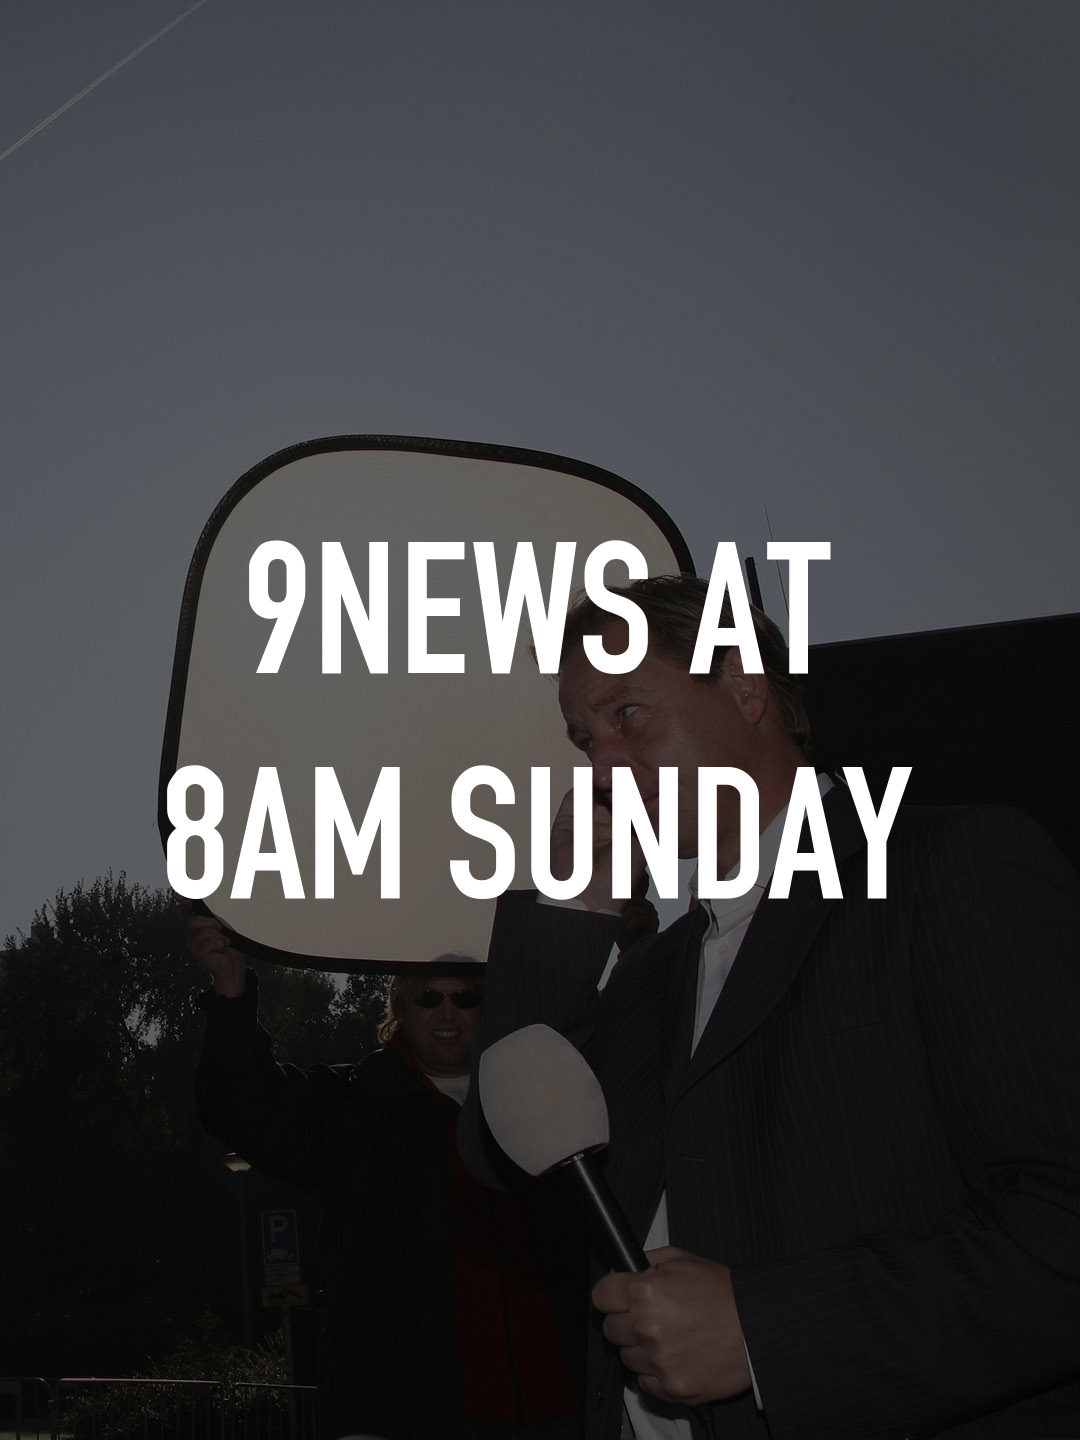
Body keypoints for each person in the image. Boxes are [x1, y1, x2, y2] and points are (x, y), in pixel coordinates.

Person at [459, 575, 1080, 1440]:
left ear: (746, 689)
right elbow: (504, 1156)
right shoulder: (651, 975)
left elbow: (1059, 1224)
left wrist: (764, 1333)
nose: (601, 768)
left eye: (628, 713)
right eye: (585, 739)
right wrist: (565, 911)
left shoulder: (948, 866)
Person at [190, 909, 585, 1440]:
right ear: (401, 1006)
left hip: (555, 1409)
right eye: (429, 997)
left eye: (464, 998)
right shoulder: (356, 1107)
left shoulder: (543, 1104)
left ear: (486, 1008)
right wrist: (231, 991)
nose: (447, 1012)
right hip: (407, 1415)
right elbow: (243, 1108)